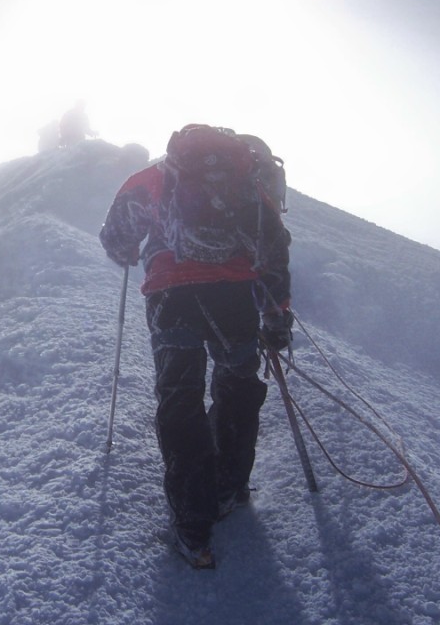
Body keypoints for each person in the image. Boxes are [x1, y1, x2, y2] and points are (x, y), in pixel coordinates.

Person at [99, 124, 293, 569]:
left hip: (171, 298)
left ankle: (193, 525)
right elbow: (273, 251)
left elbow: (116, 238)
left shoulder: (158, 177)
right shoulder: (247, 183)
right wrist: (276, 316)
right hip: (234, 301)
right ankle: (230, 486)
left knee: (180, 398)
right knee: (238, 383)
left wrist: (131, 250)